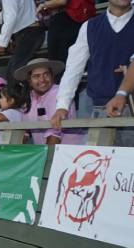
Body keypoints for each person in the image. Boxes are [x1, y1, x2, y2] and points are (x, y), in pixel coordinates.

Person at [52, 0, 134, 147]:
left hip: (132, 107)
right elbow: (73, 68)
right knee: (102, 165)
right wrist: (62, 106)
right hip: (101, 109)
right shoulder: (90, 26)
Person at [15, 58, 84, 145]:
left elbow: (55, 133)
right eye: (36, 76)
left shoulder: (60, 93)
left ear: (52, 76)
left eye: (46, 74)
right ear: (29, 81)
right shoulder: (29, 97)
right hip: (44, 150)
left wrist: (47, 157)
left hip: (68, 152)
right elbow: (25, 128)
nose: (42, 80)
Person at [0, 0, 46, 87]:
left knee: (15, 74)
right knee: (17, 71)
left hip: (28, 32)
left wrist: (2, 42)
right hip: (32, 31)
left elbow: (11, 16)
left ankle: (19, 98)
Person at [42, 0, 96, 69]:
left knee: (59, 61)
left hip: (65, 19)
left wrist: (43, 5)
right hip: (79, 17)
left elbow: (62, 1)